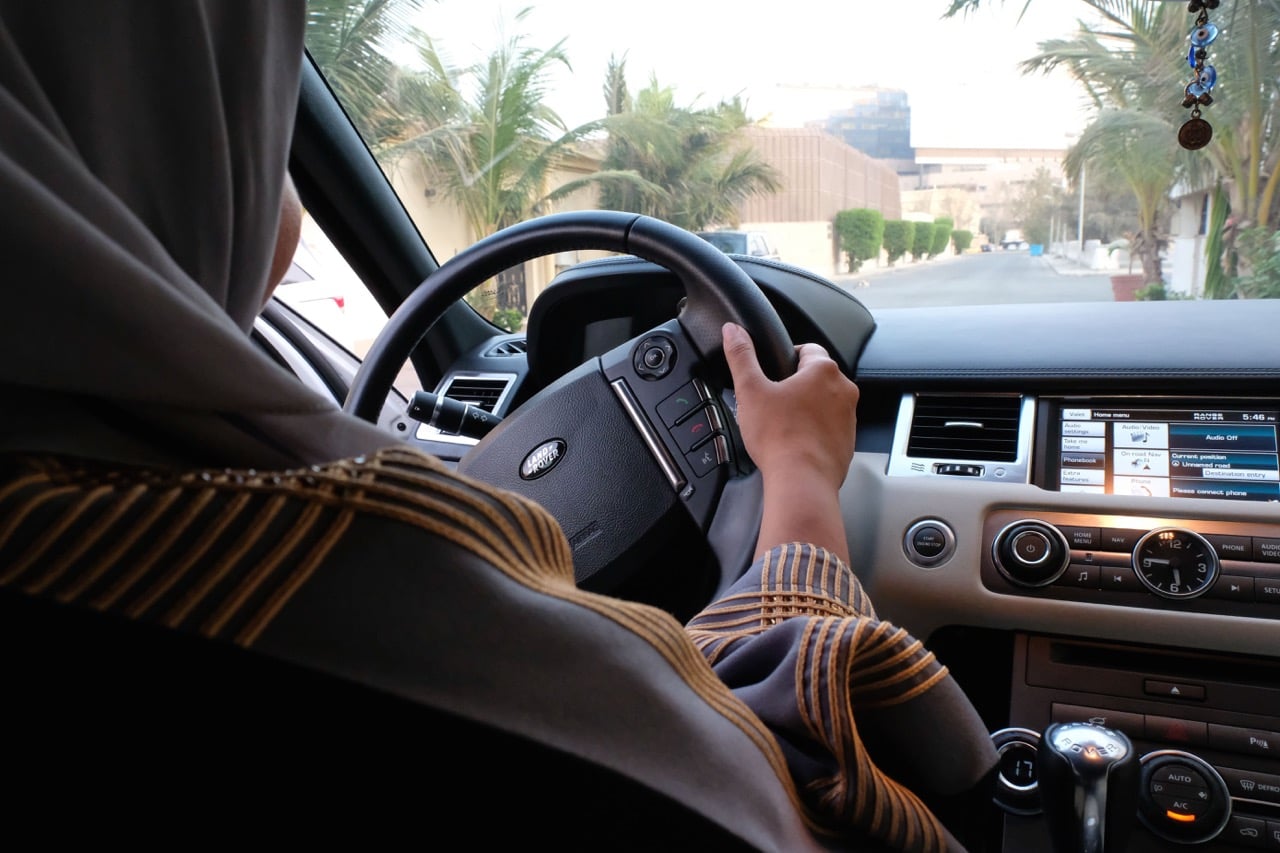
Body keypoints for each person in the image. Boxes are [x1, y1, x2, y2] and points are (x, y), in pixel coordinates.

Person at [0, 2, 995, 849]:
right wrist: (799, 476)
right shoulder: (322, 569)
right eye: (258, 115)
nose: (280, 186)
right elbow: (769, 774)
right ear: (153, 136)